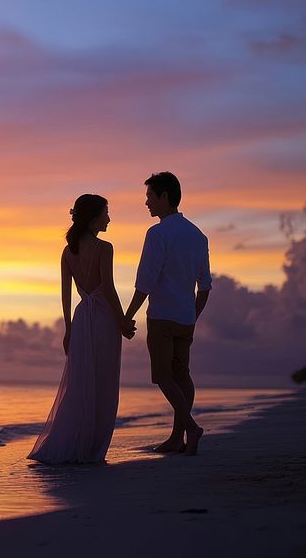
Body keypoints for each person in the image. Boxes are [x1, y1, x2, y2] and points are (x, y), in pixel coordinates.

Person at [28, 194, 136, 465]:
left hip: (81, 319)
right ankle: (93, 449)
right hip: (103, 319)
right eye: (106, 213)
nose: (109, 218)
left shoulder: (68, 251)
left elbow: (66, 295)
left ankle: (79, 444)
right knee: (104, 382)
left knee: (81, 382)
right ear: (93, 217)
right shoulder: (104, 248)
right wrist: (123, 321)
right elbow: (108, 289)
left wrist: (68, 329)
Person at [124, 172, 212, 456]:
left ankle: (190, 427)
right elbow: (205, 286)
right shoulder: (197, 235)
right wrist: (193, 316)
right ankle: (177, 438)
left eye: (150, 196)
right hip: (186, 317)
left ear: (164, 197)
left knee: (163, 376)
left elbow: (145, 281)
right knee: (181, 375)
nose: (146, 202)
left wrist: (127, 316)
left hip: (162, 317)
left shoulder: (158, 233)